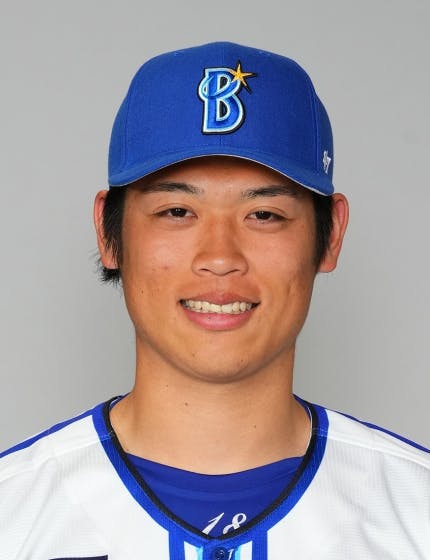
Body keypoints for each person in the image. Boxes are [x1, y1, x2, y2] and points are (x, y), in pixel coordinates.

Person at [1, 41, 429, 559]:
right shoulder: (13, 516)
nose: (220, 257)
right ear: (108, 234)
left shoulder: (416, 514)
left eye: (264, 215)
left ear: (331, 234)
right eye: (177, 212)